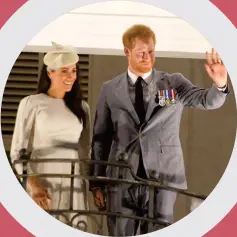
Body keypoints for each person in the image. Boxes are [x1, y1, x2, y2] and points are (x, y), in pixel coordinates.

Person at [89, 24, 230, 236]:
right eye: (141, 53)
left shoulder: (173, 83)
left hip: (163, 178)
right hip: (121, 178)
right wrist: (96, 182)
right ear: (127, 52)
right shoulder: (110, 89)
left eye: (151, 51)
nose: (147, 57)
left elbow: (206, 101)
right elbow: (101, 138)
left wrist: (220, 84)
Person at [11, 42, 92, 231]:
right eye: (65, 71)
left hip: (74, 181)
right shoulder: (31, 103)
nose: (71, 76)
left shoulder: (82, 107)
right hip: (43, 177)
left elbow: (85, 150)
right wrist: (34, 184)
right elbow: (17, 151)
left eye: (73, 71)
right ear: (50, 72)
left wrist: (90, 185)